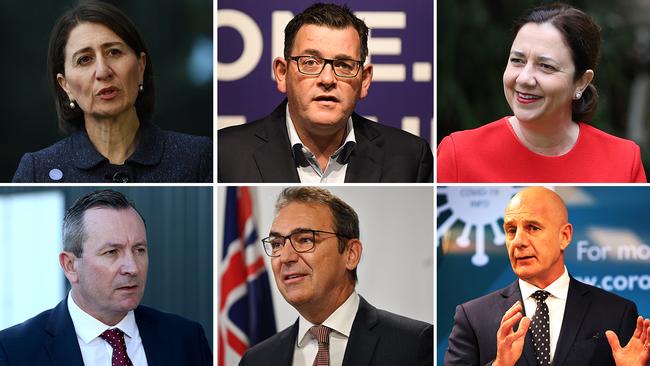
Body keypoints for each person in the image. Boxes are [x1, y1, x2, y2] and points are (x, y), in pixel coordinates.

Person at [218, 3, 433, 183]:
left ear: (364, 79)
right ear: (282, 73)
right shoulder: (225, 154)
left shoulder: (409, 157)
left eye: (344, 65)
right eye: (310, 62)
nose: (328, 79)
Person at [437, 4, 646, 183]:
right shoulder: (459, 154)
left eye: (545, 66)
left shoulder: (624, 160)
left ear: (581, 82)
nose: (524, 79)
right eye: (517, 61)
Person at [0, 190, 212, 365]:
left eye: (139, 250)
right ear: (70, 266)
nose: (132, 268)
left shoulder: (186, 339)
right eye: (111, 252)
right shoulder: (14, 351)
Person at [445, 187, 650, 366]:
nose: (518, 241)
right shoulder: (473, 317)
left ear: (565, 236)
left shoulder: (617, 312)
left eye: (533, 228)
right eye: (511, 230)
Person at [12, 1, 212, 183]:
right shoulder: (38, 170)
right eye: (84, 59)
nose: (103, 71)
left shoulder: (196, 157)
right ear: (65, 85)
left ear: (141, 67)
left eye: (114, 52)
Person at [239, 187, 433, 365]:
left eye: (305, 240)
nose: (286, 257)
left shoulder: (413, 345)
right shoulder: (256, 360)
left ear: (351, 254)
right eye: (277, 244)